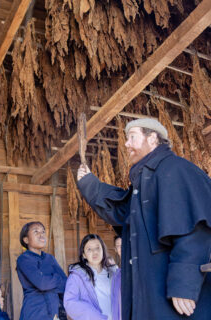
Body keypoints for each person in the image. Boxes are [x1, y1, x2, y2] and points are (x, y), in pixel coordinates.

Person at [77, 118, 211, 319]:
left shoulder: (177, 170)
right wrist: (89, 183)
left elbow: (195, 231)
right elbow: (122, 210)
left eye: (132, 137)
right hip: (151, 292)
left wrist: (184, 283)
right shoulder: (144, 181)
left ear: (153, 138)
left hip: (176, 294)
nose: (126, 144)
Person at [16, 221, 67, 320]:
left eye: (43, 232)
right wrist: (56, 278)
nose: (41, 235)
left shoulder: (50, 258)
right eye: (36, 232)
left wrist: (48, 282)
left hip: (54, 312)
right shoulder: (24, 259)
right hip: (35, 312)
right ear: (26, 240)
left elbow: (65, 284)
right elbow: (42, 284)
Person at [64, 234, 121, 320]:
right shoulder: (77, 275)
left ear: (103, 250)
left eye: (97, 248)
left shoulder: (114, 273)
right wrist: (96, 317)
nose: (95, 252)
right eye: (89, 249)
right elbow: (70, 303)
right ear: (84, 255)